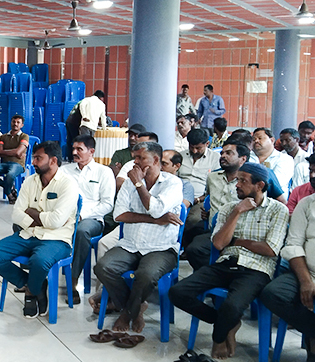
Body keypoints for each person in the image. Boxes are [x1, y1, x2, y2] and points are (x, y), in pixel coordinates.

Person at [169, 163, 289, 360]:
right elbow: (218, 244)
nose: (237, 185)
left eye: (243, 181)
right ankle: (226, 323)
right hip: (225, 263)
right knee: (177, 292)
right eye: (237, 180)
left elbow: (269, 249)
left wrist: (237, 241)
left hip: (256, 269)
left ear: (260, 185)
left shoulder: (278, 210)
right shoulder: (228, 208)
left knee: (231, 307)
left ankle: (219, 338)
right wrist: (237, 212)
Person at [94, 142, 184, 334]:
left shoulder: (173, 183)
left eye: (141, 158)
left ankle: (127, 312)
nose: (135, 163)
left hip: (161, 247)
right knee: (103, 267)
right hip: (130, 244)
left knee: (145, 275)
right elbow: (119, 215)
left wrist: (139, 184)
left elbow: (157, 208)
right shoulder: (128, 182)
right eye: (134, 158)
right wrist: (156, 220)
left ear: (156, 160)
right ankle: (135, 308)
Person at [0, 141, 79, 318]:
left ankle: (30, 293)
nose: (33, 162)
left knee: (39, 261)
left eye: (38, 158)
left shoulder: (68, 184)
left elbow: (57, 222)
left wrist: (34, 214)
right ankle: (35, 286)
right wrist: (41, 220)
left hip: (56, 238)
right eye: (33, 157)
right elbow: (16, 215)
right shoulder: (29, 181)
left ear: (53, 161)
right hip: (28, 234)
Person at [260, 160, 315, 362]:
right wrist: (306, 282)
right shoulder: (307, 204)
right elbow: (293, 245)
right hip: (307, 271)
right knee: (272, 294)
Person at [63, 134, 115, 303]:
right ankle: (35, 278)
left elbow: (108, 204)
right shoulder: (65, 171)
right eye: (73, 149)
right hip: (66, 216)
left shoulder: (104, 172)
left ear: (91, 151)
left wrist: (83, 215)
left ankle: (73, 279)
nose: (75, 152)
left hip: (92, 219)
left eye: (80, 149)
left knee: (82, 230)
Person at [183, 141, 249, 271]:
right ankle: (212, 274)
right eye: (222, 153)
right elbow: (209, 197)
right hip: (215, 230)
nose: (223, 156)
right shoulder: (213, 177)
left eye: (229, 153)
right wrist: (209, 213)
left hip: (240, 232)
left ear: (243, 159)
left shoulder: (250, 181)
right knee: (193, 249)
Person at [178, 128, 220, 231]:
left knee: (193, 219)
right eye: (191, 147)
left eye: (198, 148)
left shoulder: (215, 158)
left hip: (201, 199)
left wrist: (198, 199)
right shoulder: (181, 156)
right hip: (179, 198)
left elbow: (215, 185)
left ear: (207, 144)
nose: (194, 151)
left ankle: (187, 244)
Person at [0, 115, 29, 204]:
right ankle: (9, 189)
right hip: (4, 164)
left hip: (17, 164)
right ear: (11, 122)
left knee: (10, 175)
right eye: (13, 122)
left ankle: (8, 194)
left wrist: (4, 152)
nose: (15, 124)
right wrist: (15, 152)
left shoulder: (24, 136)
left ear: (22, 125)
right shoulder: (3, 137)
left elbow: (17, 152)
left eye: (18, 122)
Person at [252, 127, 293, 192]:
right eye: (254, 139)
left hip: (275, 198)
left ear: (272, 140)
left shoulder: (284, 159)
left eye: (260, 138)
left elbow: (276, 182)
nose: (256, 141)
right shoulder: (247, 157)